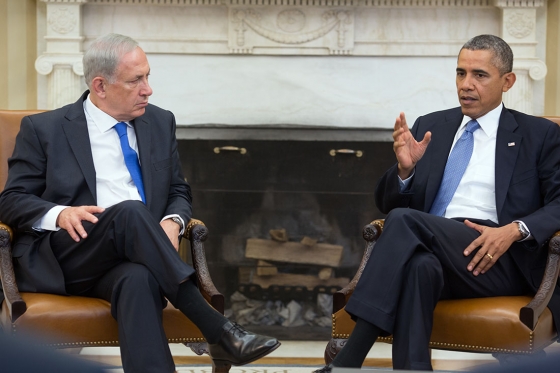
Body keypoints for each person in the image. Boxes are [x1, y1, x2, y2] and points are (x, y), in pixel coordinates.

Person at [0, 33, 280, 373]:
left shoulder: (159, 122)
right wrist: (60, 214)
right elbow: (11, 200)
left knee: (138, 280)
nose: (148, 89)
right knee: (132, 212)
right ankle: (216, 327)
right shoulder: (44, 129)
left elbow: (178, 189)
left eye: (147, 77)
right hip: (69, 255)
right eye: (136, 80)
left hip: (134, 257)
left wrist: (173, 221)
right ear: (100, 86)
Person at [314, 34, 560, 372]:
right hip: (434, 248)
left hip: (499, 257)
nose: (466, 85)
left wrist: (514, 231)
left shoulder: (538, 134)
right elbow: (385, 201)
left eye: (479, 75)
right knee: (419, 267)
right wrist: (405, 170)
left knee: (405, 220)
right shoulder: (432, 126)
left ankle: (349, 358)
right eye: (460, 73)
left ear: (508, 81)